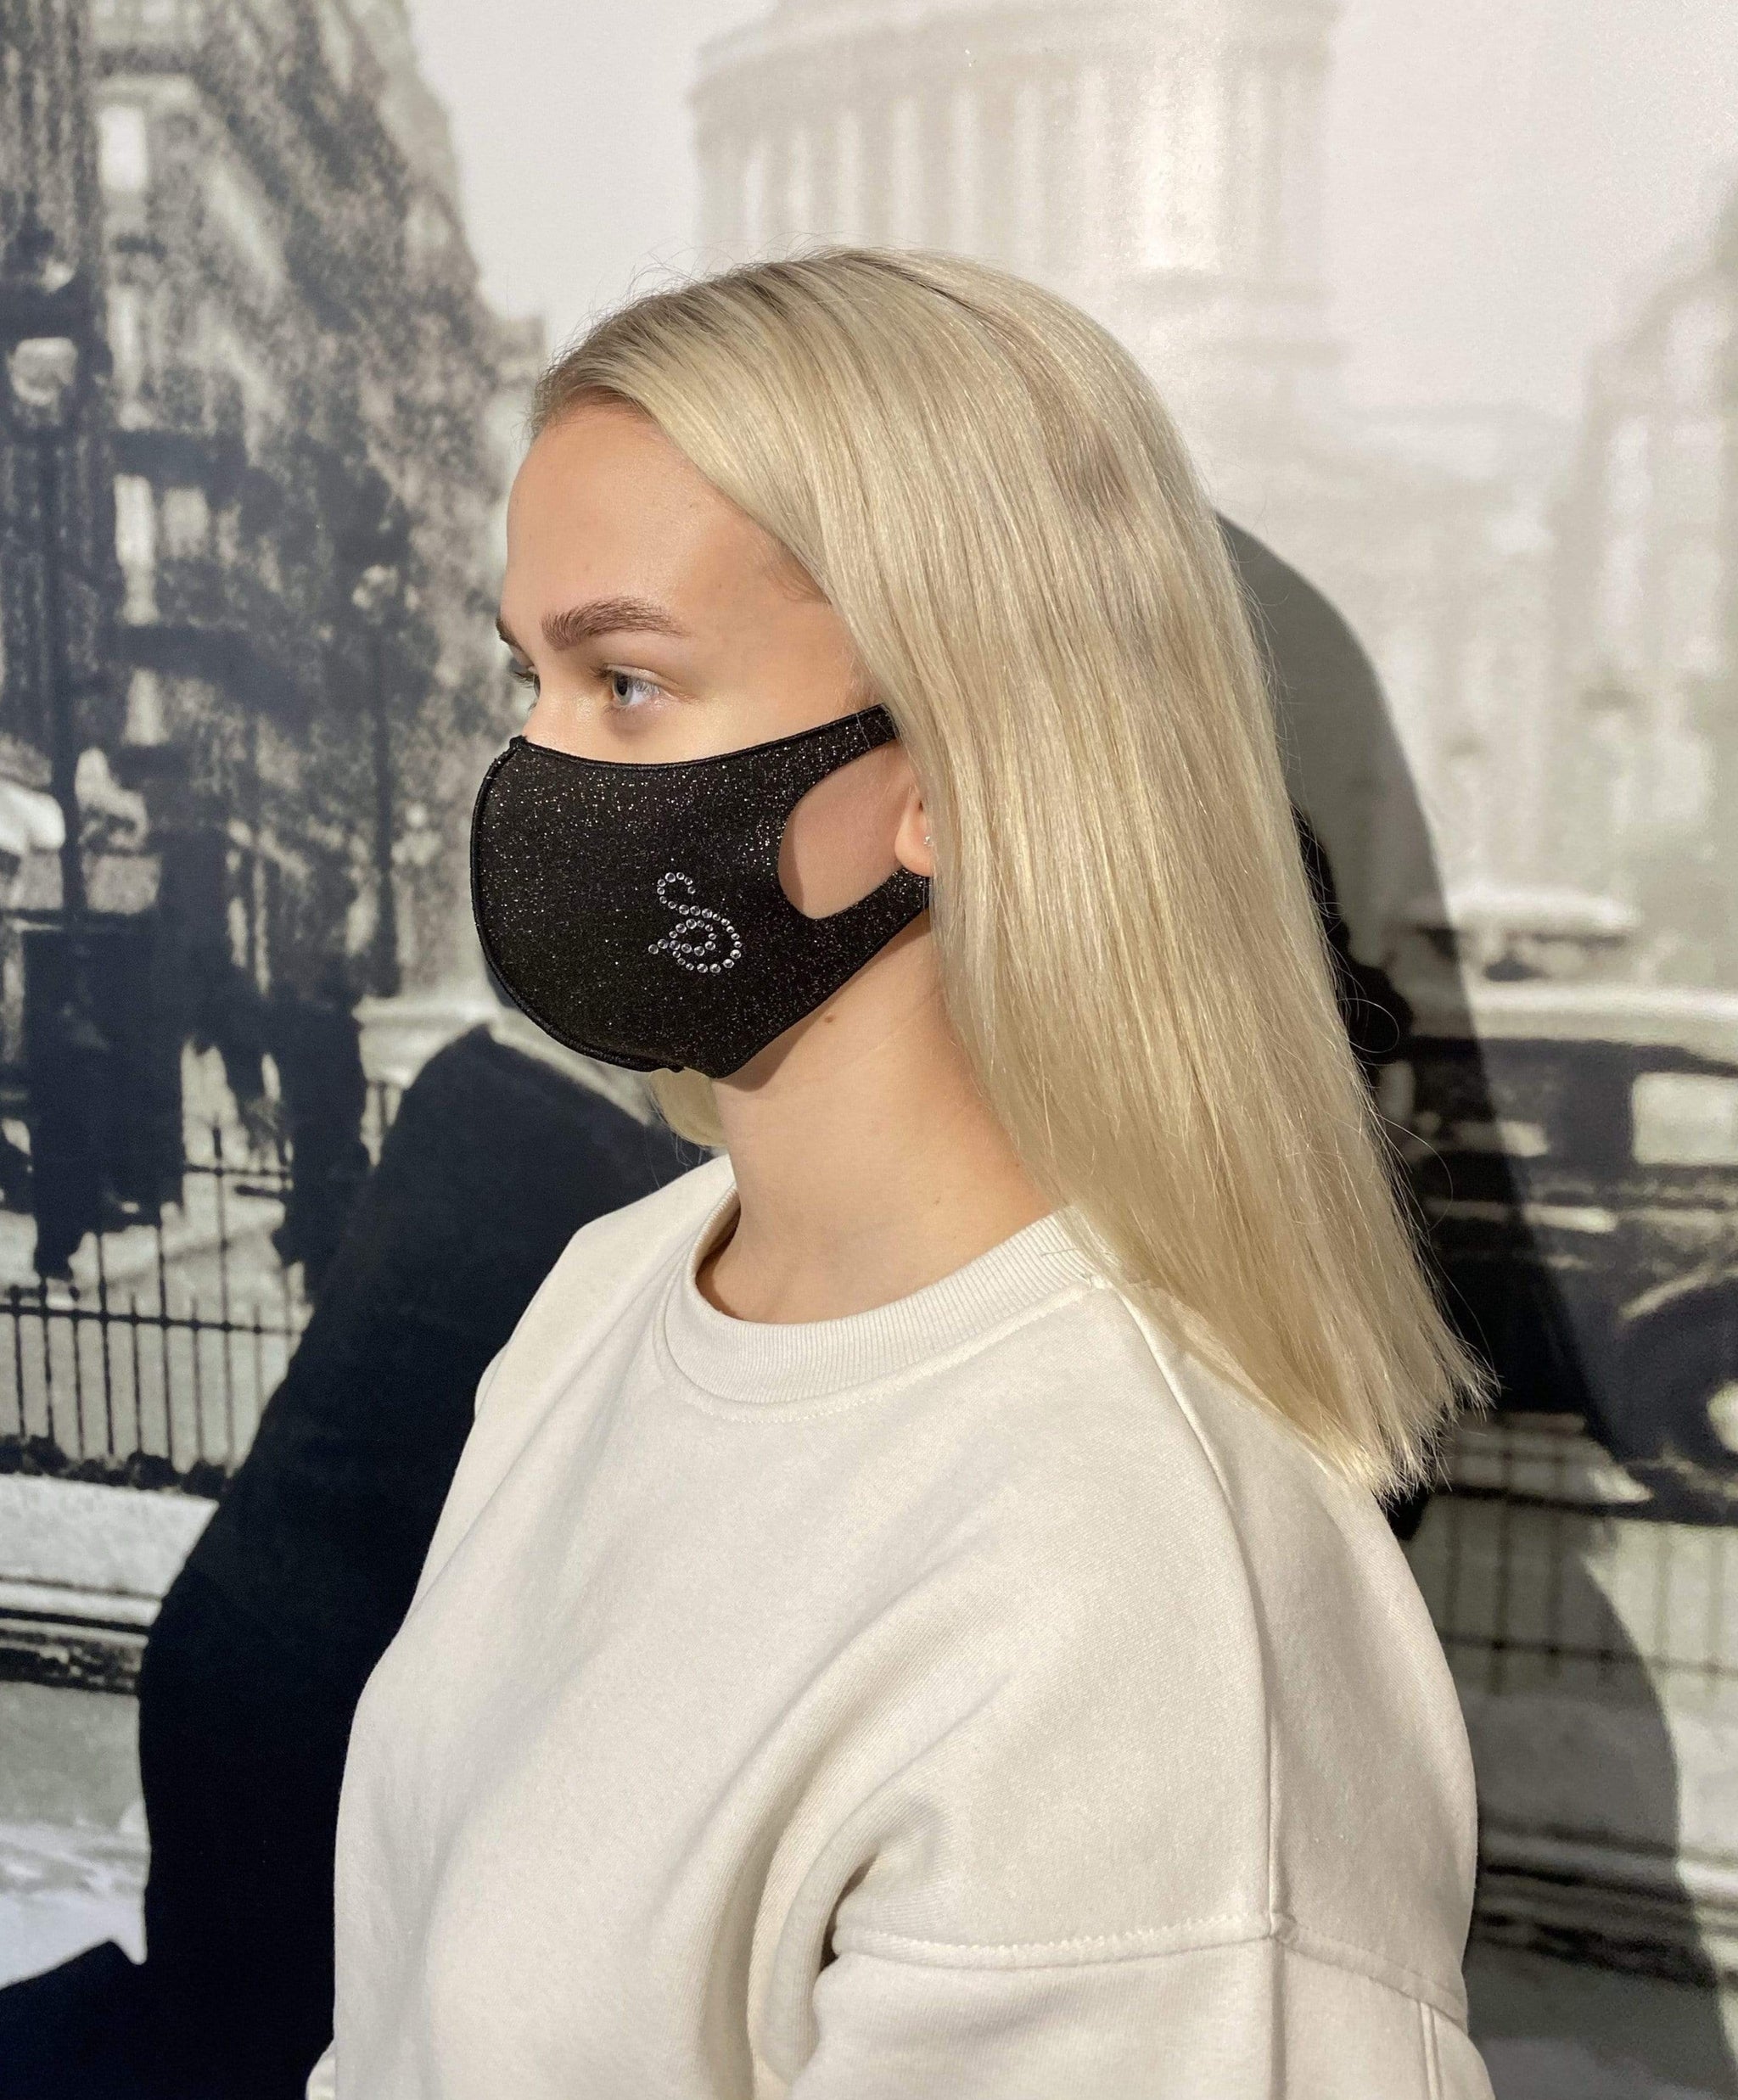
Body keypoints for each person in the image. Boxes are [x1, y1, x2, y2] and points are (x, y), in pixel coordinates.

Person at [311, 249, 1498, 2098]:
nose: (529, 768)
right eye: (526, 676)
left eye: (627, 680)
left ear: (949, 762)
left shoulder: (1131, 1601)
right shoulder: (619, 1288)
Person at [0, 1017, 704, 2100]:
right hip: (315, 1710)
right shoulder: (623, 1184)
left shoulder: (474, 1085)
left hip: (235, 1644)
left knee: (202, 2030)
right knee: (244, 2055)